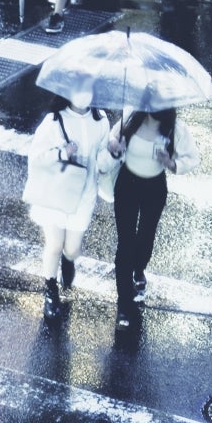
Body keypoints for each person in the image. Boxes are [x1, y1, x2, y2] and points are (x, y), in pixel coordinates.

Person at [22, 94, 111, 319]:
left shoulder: (101, 121)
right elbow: (36, 157)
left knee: (72, 249)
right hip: (56, 194)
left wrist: (113, 152)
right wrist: (62, 153)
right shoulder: (53, 120)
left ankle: (68, 261)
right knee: (54, 244)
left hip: (84, 196)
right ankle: (50, 290)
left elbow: (102, 163)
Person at [103, 109, 187, 326]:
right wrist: (114, 144)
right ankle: (124, 305)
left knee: (145, 238)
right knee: (125, 244)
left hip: (154, 188)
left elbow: (191, 157)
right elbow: (112, 135)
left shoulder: (174, 128)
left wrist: (171, 163)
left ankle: (139, 268)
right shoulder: (131, 116)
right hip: (127, 185)